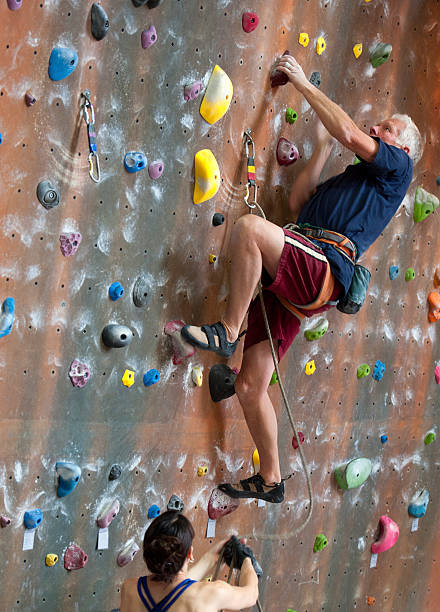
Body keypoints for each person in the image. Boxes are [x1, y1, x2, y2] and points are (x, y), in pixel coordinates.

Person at [181, 54, 423, 504]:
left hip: (323, 268)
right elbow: (297, 200)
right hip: (300, 270)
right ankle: (271, 478)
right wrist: (323, 149)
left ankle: (227, 332)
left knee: (251, 230)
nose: (377, 129)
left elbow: (350, 131)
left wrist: (302, 84)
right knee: (251, 386)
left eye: (386, 129)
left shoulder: (397, 171)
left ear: (400, 148)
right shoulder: (355, 181)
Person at [120, 510, 259, 611]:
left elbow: (178, 590)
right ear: (190, 553)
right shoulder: (211, 594)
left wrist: (212, 558)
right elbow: (251, 595)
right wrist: (246, 560)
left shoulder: (130, 589)